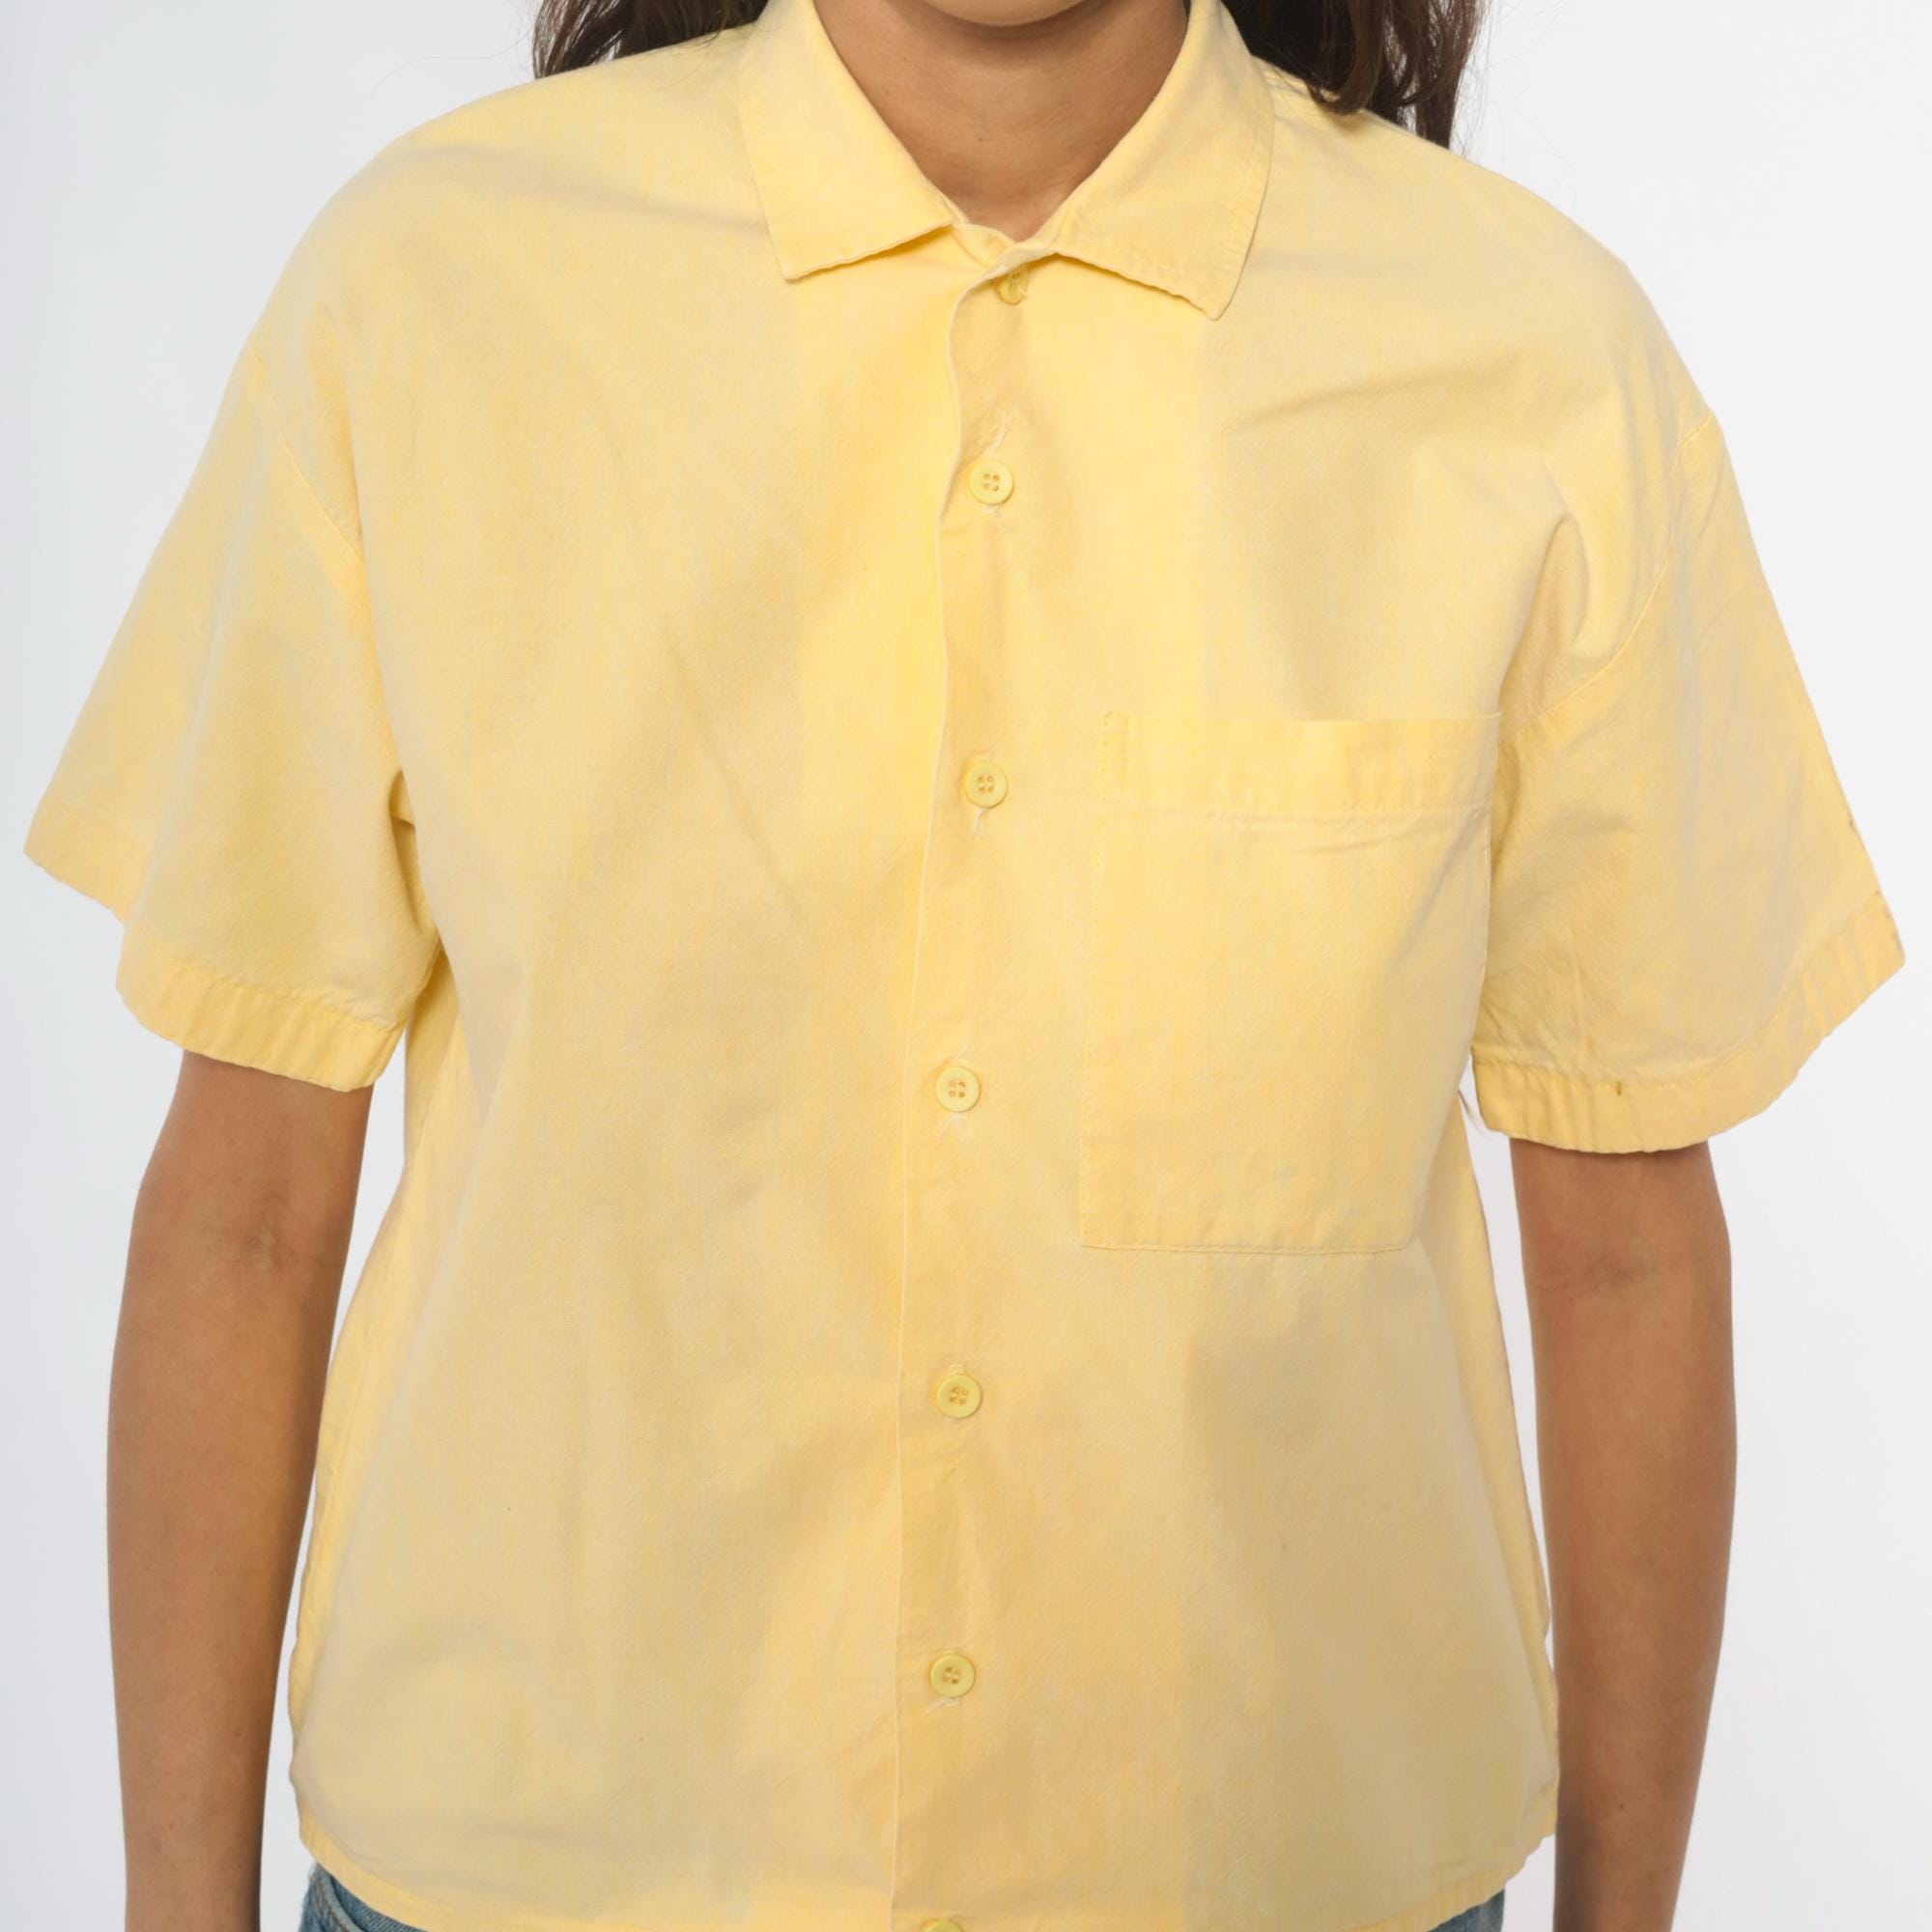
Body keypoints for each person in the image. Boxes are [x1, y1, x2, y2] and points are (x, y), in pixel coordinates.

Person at [21, 0, 1904, 1928]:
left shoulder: (1530, 353)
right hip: (525, 1868)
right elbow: (247, 1210)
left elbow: (1625, 1249)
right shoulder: (428, 293)